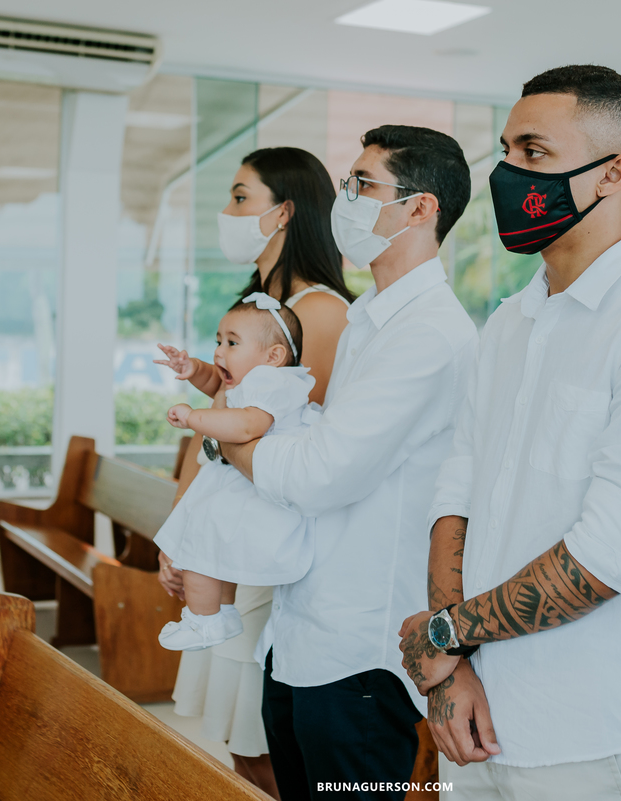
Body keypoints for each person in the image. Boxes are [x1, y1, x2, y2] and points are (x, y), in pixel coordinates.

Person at [399, 65, 621, 800]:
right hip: (476, 712)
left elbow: (614, 549)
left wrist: (443, 634)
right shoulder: (509, 323)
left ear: (612, 173)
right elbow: (456, 489)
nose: (507, 173)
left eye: (534, 153)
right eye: (507, 150)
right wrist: (452, 664)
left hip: (594, 730)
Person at [217, 125, 478, 801]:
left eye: (363, 185)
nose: (346, 200)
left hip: (360, 653)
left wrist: (228, 440)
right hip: (303, 630)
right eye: (346, 184)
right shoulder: (371, 315)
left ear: (422, 209)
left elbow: (322, 470)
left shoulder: (431, 333)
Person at [154, 146, 355, 799]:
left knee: (262, 744)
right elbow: (221, 418)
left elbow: (287, 441)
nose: (227, 212)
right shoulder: (256, 305)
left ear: (284, 211)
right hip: (223, 523)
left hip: (263, 540)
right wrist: (181, 536)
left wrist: (223, 544)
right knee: (242, 745)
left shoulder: (318, 312)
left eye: (241, 197)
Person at [154, 295, 313, 651]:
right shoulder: (252, 381)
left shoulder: (272, 384)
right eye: (218, 341)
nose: (219, 351)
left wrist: (194, 418)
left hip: (250, 493)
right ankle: (219, 614)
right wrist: (192, 367)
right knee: (212, 556)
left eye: (232, 342)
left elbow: (246, 426)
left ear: (273, 356)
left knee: (197, 551)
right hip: (238, 486)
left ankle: (203, 621)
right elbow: (218, 384)